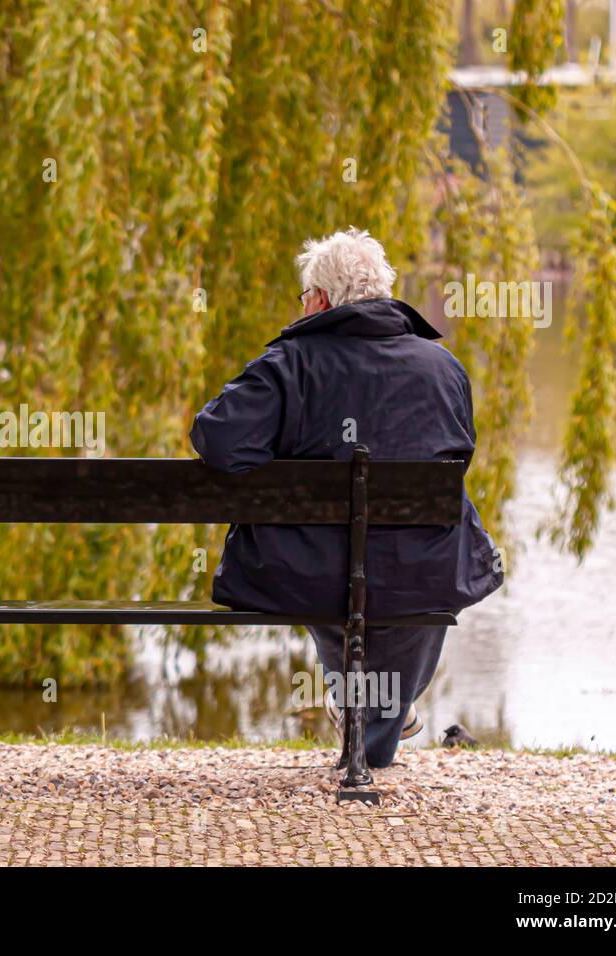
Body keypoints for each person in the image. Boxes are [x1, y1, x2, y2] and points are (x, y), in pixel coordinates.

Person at [189, 228, 503, 768]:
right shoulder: (442, 368)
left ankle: (372, 721)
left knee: (328, 558)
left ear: (321, 300)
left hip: (311, 567)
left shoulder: (290, 365)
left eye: (304, 296)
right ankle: (382, 722)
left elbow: (217, 439)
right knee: (409, 573)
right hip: (421, 569)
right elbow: (460, 456)